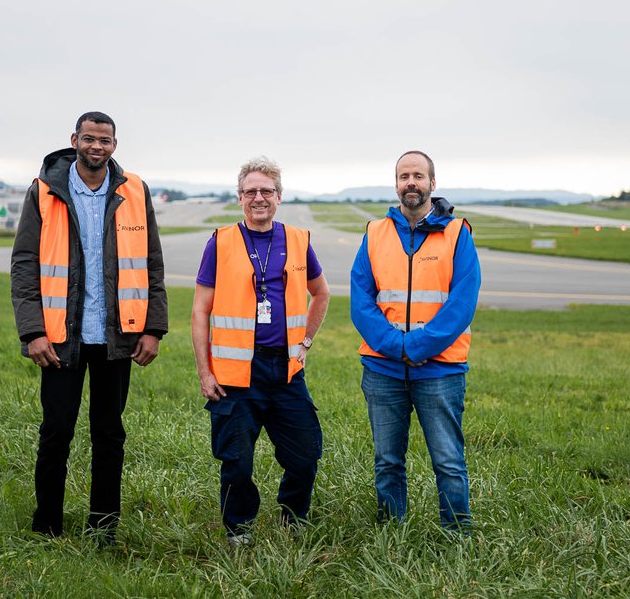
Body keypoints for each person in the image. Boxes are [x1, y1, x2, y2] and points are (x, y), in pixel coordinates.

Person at [11, 111, 168, 540]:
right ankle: (46, 528)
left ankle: (103, 530)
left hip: (118, 338)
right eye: (89, 139)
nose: (97, 146)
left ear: (114, 145)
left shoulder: (134, 190)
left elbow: (152, 263)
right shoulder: (44, 191)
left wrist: (153, 328)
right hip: (61, 339)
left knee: (109, 436)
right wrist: (32, 332)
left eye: (105, 140)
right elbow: (25, 265)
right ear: (74, 140)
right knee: (56, 434)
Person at [191, 156, 330, 547]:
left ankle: (293, 517)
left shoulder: (298, 241)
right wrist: (205, 371)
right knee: (236, 462)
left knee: (304, 457)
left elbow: (321, 293)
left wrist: (304, 344)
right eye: (250, 191)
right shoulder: (220, 242)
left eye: (266, 191)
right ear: (239, 198)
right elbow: (201, 310)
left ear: (279, 196)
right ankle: (239, 529)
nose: (258, 198)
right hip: (235, 375)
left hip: (285, 373)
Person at [350, 150, 481, 532]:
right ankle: (393, 532)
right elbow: (361, 300)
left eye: (418, 176)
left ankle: (456, 534)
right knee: (387, 459)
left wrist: (417, 347)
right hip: (383, 369)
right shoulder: (376, 233)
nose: (411, 182)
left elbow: (462, 303)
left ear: (432, 184)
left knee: (448, 460)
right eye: (404, 175)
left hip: (440, 370)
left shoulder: (457, 233)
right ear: (396, 184)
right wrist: (396, 347)